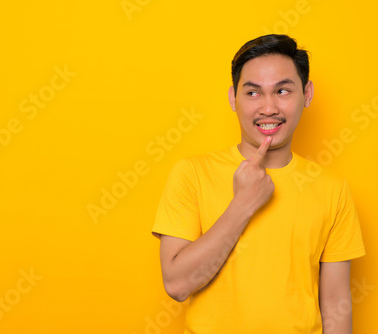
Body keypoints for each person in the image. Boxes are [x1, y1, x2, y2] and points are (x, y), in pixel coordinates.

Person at [151, 34, 366, 334]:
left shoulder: (333, 188)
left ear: (307, 94)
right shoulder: (191, 174)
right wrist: (243, 204)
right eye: (253, 93)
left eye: (282, 91)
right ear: (232, 98)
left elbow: (335, 304)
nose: (268, 108)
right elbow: (177, 284)